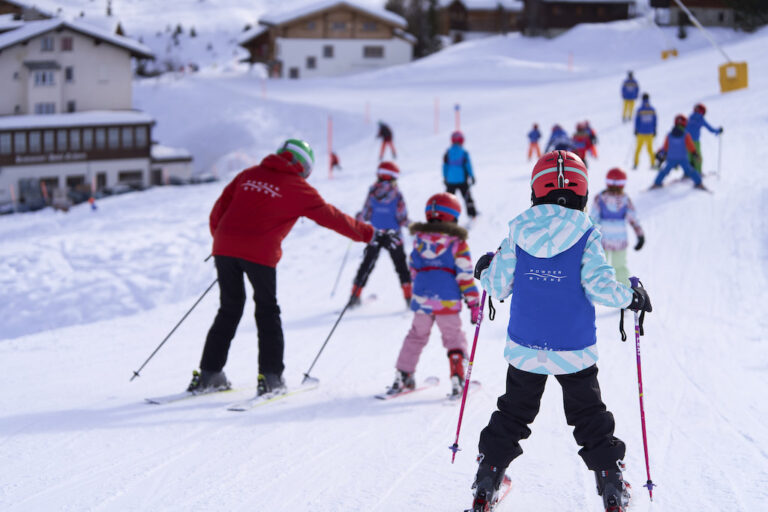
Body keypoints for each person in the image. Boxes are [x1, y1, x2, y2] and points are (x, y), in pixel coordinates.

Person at [469, 150, 653, 512]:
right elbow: (600, 287)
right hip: (574, 348)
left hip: (526, 347)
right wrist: (631, 296)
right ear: (582, 192)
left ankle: (488, 478)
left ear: (536, 191)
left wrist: (486, 270)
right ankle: (611, 483)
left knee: (513, 413)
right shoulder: (586, 234)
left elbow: (499, 285)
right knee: (589, 416)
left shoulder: (518, 232)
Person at [188, 139, 397, 396]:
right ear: (303, 166)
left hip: (224, 246)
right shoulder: (299, 188)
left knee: (229, 308)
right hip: (259, 252)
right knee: (267, 311)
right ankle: (271, 379)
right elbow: (332, 217)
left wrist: (227, 245)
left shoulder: (248, 175)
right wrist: (371, 234)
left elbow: (219, 210)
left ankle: (209, 374)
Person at [385, 192, 480, 398]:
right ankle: (457, 376)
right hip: (447, 301)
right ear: (453, 216)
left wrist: (420, 288)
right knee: (453, 337)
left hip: (422, 299)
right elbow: (465, 275)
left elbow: (413, 267)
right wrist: (474, 302)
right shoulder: (457, 243)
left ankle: (403, 375)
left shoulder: (419, 241)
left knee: (416, 335)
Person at [349, 161, 412, 308]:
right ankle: (409, 298)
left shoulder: (372, 192)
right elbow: (402, 217)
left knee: (367, 265)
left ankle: (354, 296)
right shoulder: (397, 195)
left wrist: (358, 217)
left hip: (374, 235)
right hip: (394, 236)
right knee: (401, 266)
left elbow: (365, 214)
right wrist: (413, 226)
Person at [590, 168, 644, 286]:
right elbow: (633, 219)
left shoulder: (600, 198)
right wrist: (640, 235)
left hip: (603, 239)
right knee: (620, 267)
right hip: (619, 240)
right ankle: (625, 289)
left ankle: (599, 288)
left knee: (600, 265)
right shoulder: (625, 200)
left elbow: (593, 218)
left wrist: (590, 236)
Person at [651, 115, 706, 190]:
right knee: (690, 170)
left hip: (671, 158)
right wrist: (695, 153)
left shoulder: (669, 135)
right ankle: (698, 183)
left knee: (665, 170)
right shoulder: (686, 135)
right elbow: (690, 146)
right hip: (682, 158)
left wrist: (660, 152)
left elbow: (665, 147)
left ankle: (657, 183)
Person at [443, 130, 477, 218]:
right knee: (467, 197)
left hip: (450, 181)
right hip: (462, 180)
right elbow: (468, 165)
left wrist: (445, 177)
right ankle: (472, 214)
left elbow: (445, 166)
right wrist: (472, 176)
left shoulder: (448, 152)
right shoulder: (464, 153)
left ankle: (446, 216)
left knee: (449, 199)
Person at [686, 103, 723, 173]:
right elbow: (710, 128)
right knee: (697, 156)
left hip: (687, 141)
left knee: (688, 156)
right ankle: (698, 172)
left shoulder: (690, 117)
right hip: (695, 141)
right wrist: (718, 131)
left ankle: (687, 172)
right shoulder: (700, 119)